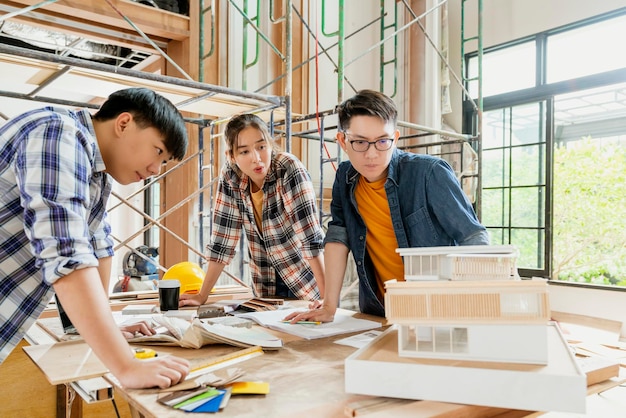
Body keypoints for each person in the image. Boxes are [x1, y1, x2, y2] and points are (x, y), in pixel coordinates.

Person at [0, 87, 190, 389]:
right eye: (157, 151)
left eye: (164, 162)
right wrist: (126, 366)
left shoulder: (97, 173)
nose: (155, 169)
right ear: (124, 123)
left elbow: (99, 247)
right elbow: (67, 254)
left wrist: (109, 328)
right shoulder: (58, 134)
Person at [286, 89, 489, 321]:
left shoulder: (429, 173)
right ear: (342, 141)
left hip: (436, 312)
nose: (372, 154)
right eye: (360, 142)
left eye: (383, 141)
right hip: (378, 311)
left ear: (396, 138)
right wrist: (329, 305)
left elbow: (473, 237)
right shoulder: (345, 177)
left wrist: (478, 307)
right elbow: (338, 235)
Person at [180, 113, 325, 307]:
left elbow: (311, 240)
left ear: (270, 145)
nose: (257, 158)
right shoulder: (231, 176)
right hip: (264, 288)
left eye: (261, 147)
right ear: (231, 156)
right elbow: (222, 242)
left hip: (304, 284)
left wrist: (327, 300)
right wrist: (201, 296)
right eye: (244, 152)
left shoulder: (288, 169)